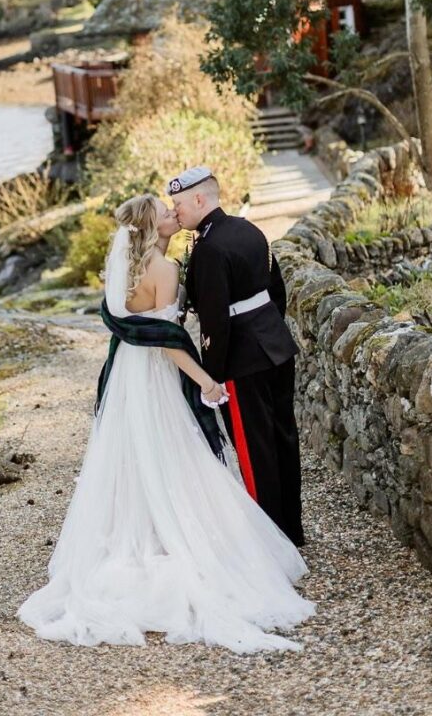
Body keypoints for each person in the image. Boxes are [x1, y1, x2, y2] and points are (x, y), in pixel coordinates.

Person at [17, 193, 314, 653]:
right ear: (151, 226)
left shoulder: (126, 269)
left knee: (135, 454)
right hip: (156, 374)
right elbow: (170, 342)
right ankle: (174, 535)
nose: (172, 213)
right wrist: (207, 382)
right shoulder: (166, 270)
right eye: (164, 211)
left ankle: (139, 533)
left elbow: (135, 327)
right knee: (173, 451)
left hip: (126, 376)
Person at [169, 166, 305, 546]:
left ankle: (272, 539)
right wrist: (269, 332)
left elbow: (214, 323)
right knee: (283, 436)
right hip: (276, 346)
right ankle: (291, 528)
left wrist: (211, 377)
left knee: (254, 448)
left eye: (178, 203)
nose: (175, 211)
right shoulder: (249, 229)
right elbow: (276, 290)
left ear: (199, 199)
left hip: (241, 360)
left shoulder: (209, 248)